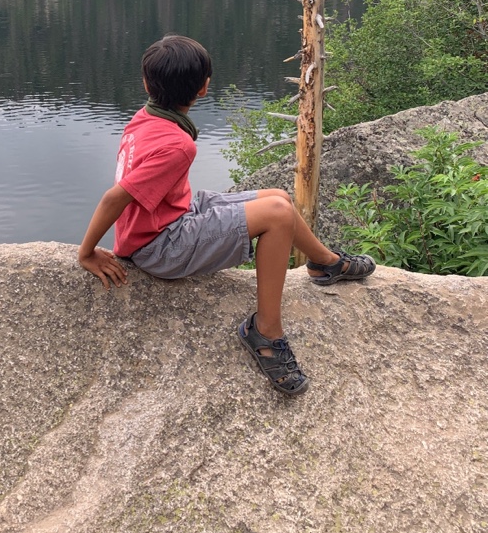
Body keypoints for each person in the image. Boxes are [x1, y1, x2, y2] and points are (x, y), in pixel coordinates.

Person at [77, 34, 375, 396]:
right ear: (204, 88)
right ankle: (265, 331)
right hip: (160, 246)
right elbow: (115, 198)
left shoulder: (144, 118)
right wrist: (87, 253)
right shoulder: (178, 145)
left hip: (170, 216)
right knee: (278, 215)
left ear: (146, 84)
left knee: (278, 197)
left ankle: (325, 263)